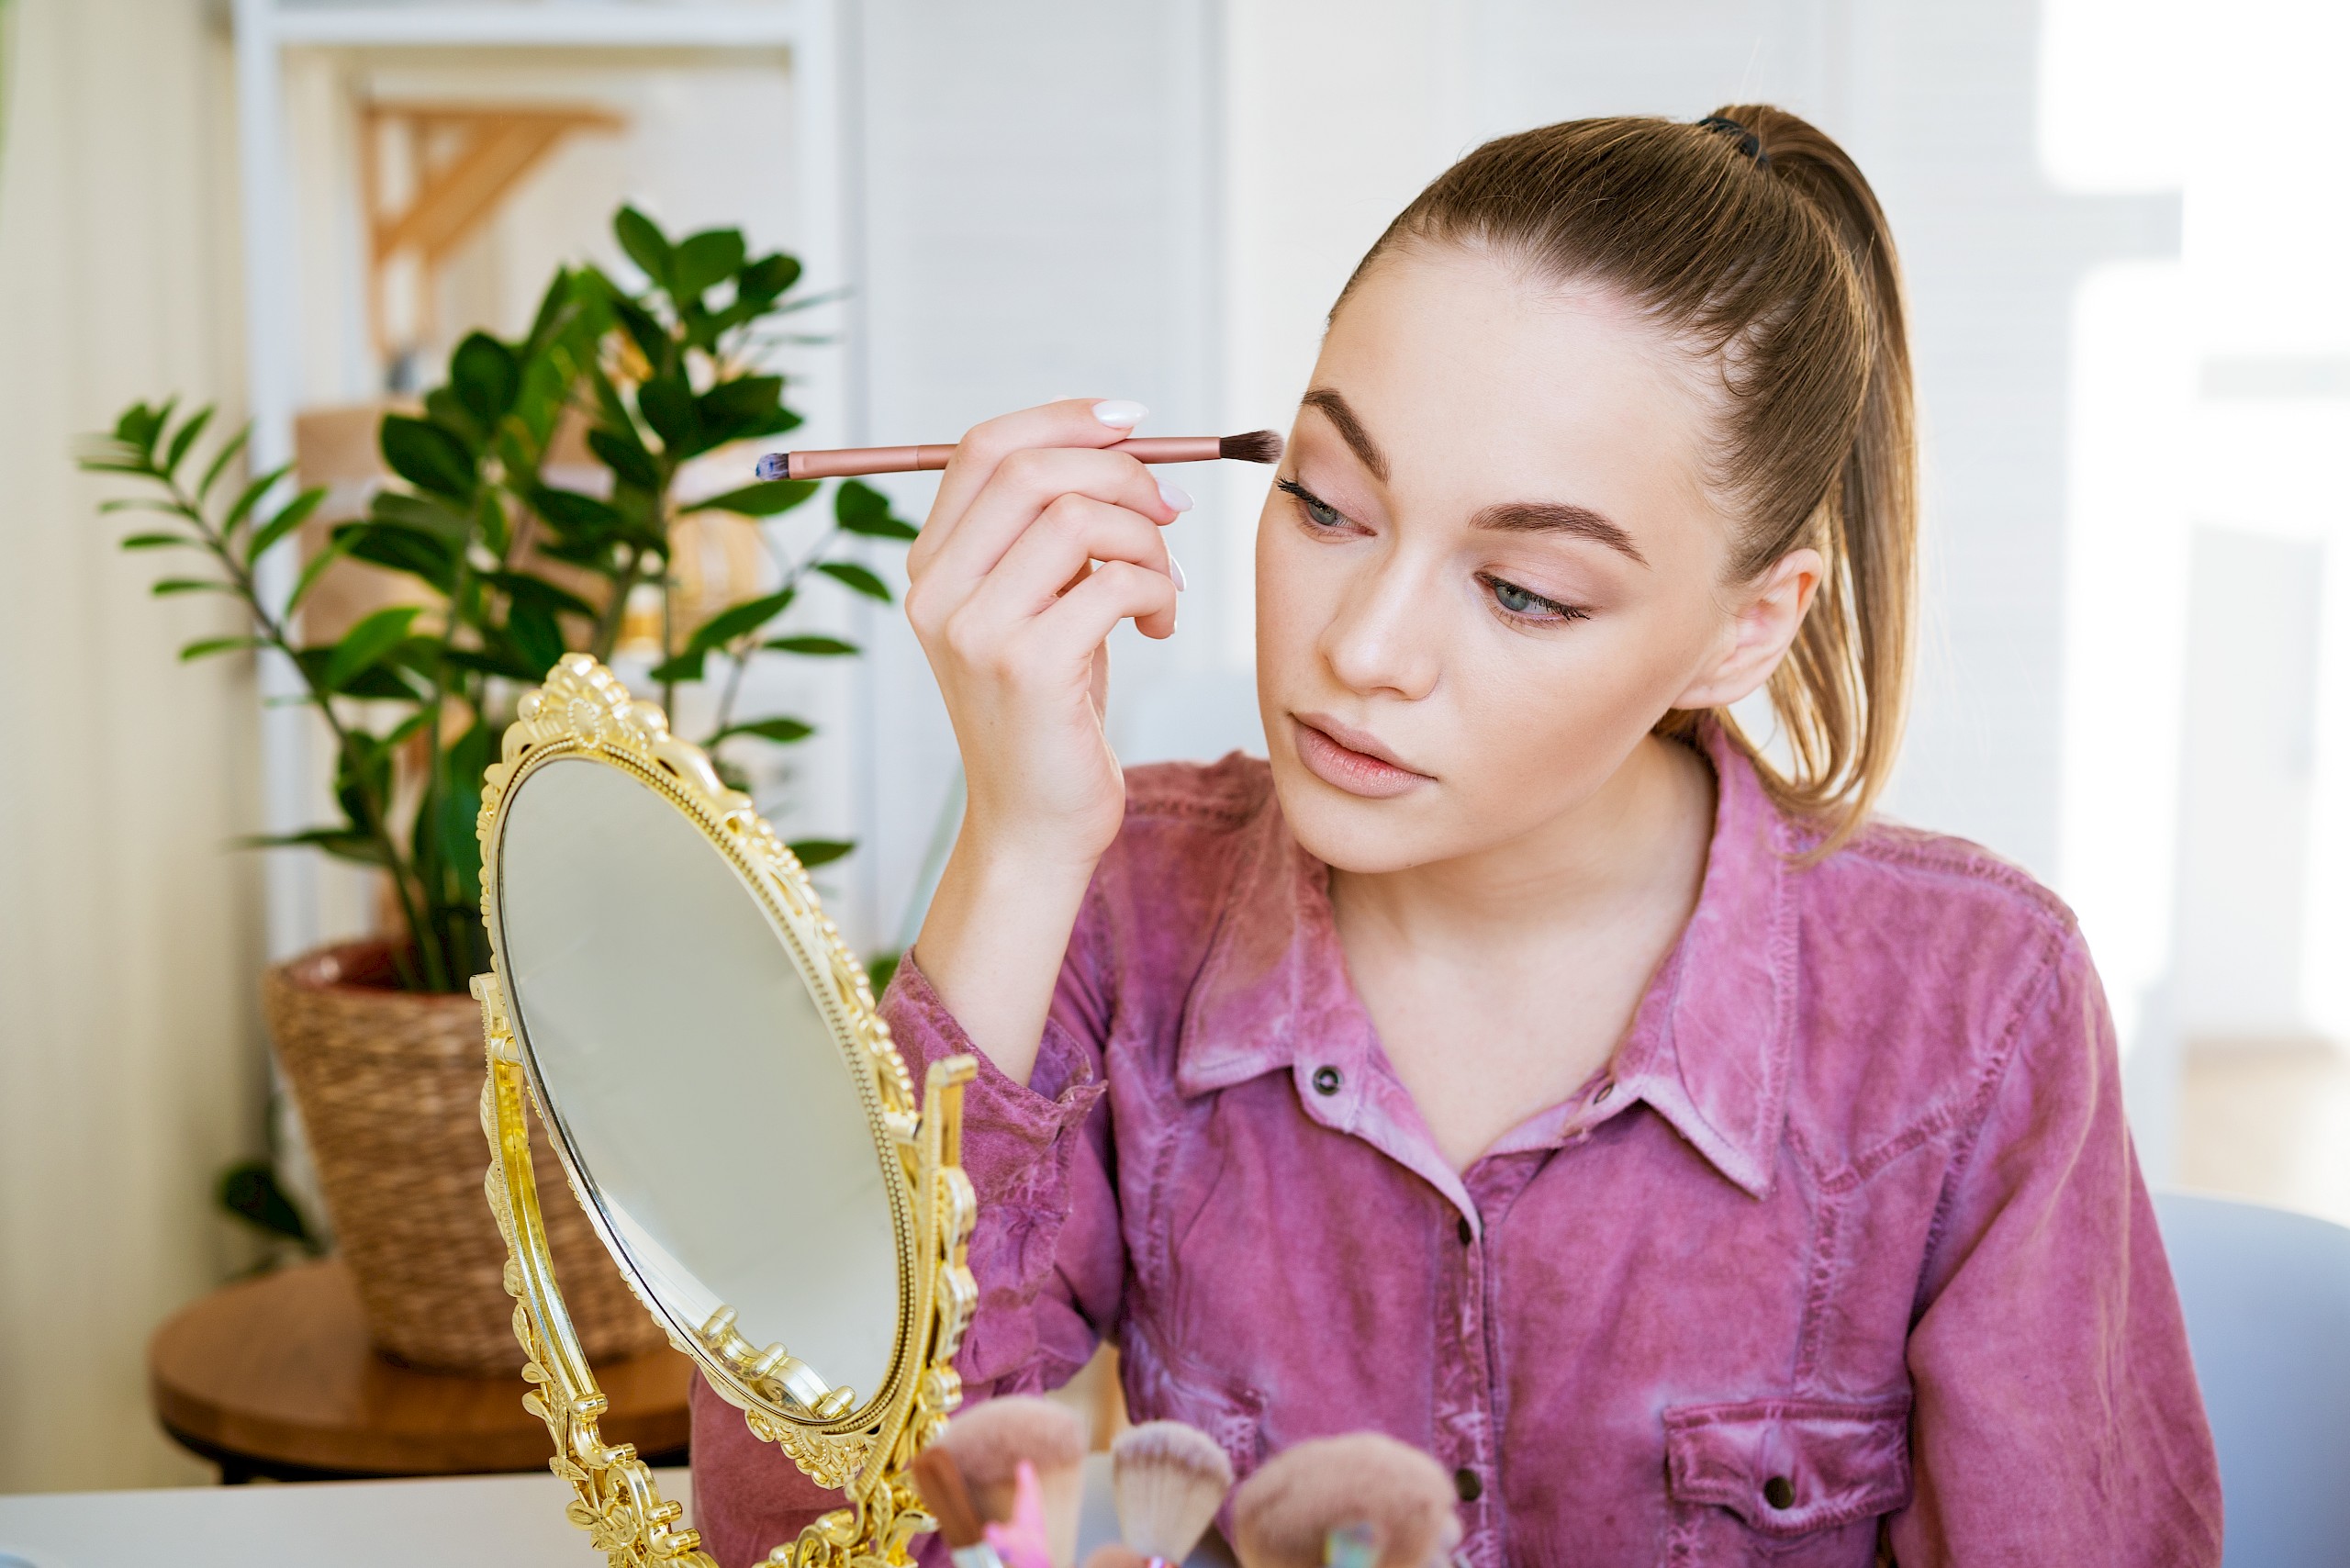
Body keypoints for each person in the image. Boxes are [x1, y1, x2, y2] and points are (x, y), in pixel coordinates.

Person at [692, 106, 2221, 1566]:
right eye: (1327, 502)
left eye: (1523, 591)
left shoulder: (1975, 1013)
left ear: (1747, 629)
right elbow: (811, 1527)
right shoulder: (1114, 904)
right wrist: (1019, 843)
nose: (1361, 648)